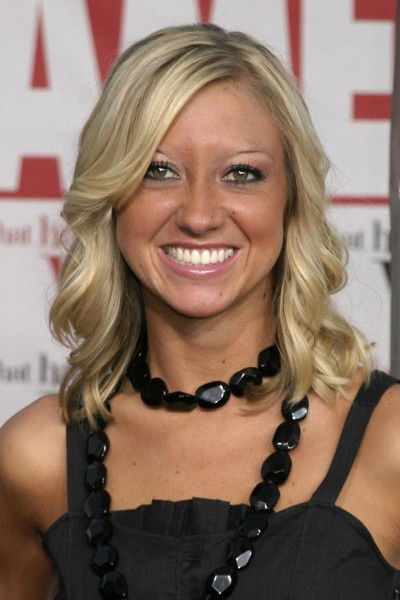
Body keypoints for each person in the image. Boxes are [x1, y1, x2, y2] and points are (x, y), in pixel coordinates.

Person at [0, 23, 399, 600]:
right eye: (158, 170)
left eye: (242, 174)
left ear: (291, 199)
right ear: (111, 197)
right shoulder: (34, 458)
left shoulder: (388, 440)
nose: (199, 215)